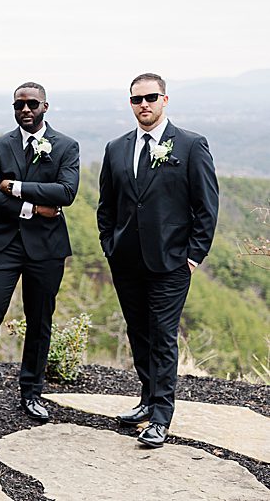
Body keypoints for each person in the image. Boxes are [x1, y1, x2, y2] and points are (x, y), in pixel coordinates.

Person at [97, 73, 218, 448]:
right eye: (136, 99)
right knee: (139, 333)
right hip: (126, 261)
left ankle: (161, 415)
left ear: (165, 100)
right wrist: (109, 246)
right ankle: (147, 400)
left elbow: (206, 207)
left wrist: (193, 256)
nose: (144, 104)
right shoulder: (116, 148)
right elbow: (107, 206)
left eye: (151, 97)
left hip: (172, 263)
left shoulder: (191, 145)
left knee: (163, 337)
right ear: (130, 104)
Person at [0, 82, 79, 423]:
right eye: (19, 104)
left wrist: (16, 187)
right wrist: (33, 208)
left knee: (40, 320)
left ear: (45, 107)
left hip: (47, 249)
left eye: (32, 104)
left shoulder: (66, 146)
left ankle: (32, 394)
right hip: (3, 244)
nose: (25, 110)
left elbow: (65, 192)